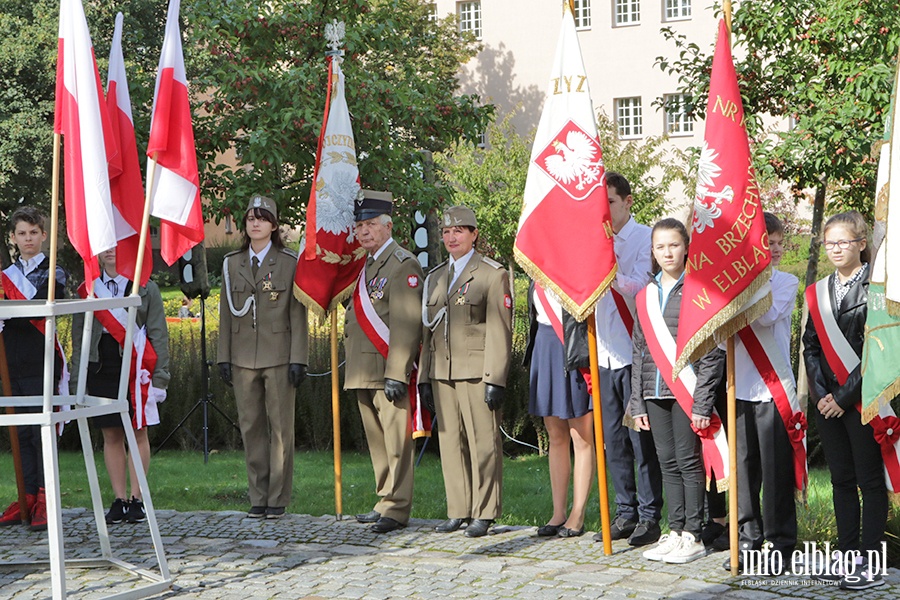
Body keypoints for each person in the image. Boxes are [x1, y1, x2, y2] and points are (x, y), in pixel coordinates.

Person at [702, 213, 800, 571]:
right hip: (737, 388)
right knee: (743, 471)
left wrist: (739, 290)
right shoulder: (731, 286)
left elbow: (766, 316)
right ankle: (747, 538)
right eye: (766, 243)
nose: (773, 250)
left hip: (772, 389)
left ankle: (781, 543)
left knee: (775, 471)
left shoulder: (785, 282)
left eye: (777, 243)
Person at [803, 211, 887, 590]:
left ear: (861, 243)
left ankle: (871, 561)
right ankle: (847, 554)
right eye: (830, 242)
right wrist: (822, 396)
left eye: (844, 242)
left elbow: (880, 350)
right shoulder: (819, 290)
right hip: (828, 403)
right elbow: (810, 345)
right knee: (840, 480)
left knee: (869, 482)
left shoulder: (878, 288)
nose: (836, 248)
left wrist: (842, 396)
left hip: (864, 398)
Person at [419, 205, 513, 538]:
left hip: (477, 371)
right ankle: (458, 509)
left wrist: (495, 378)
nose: (451, 237)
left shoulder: (491, 273)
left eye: (459, 231)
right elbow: (428, 331)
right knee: (450, 443)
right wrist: (424, 378)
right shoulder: (435, 277)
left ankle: (484, 512)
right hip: (442, 371)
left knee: (483, 442)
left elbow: (500, 331)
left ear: (474, 234)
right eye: (446, 232)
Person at [629, 218, 717, 564]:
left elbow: (712, 353)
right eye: (660, 246)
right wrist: (637, 402)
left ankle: (694, 534)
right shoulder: (645, 295)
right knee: (666, 462)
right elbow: (639, 351)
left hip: (687, 392)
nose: (667, 252)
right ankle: (676, 529)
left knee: (688, 461)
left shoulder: (699, 291)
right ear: (652, 251)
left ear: (686, 248)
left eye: (674, 245)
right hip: (653, 392)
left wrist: (702, 401)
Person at [218, 195, 309, 519]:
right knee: (251, 427)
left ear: (273, 225)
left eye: (262, 218)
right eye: (250, 218)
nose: (255, 223)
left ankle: (277, 498)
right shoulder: (232, 263)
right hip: (243, 357)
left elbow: (298, 315)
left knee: (281, 429)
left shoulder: (288, 262)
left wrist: (300, 358)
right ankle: (258, 496)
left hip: (280, 356)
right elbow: (226, 315)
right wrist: (223, 357)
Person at [70, 247, 169, 524]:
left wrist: (160, 376)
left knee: (138, 432)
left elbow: (159, 334)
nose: (112, 251)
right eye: (105, 245)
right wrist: (78, 381)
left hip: (136, 368)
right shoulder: (89, 289)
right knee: (111, 434)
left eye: (117, 244)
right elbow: (80, 340)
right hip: (101, 367)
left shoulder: (145, 288)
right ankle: (119, 498)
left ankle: (138, 498)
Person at [345, 190, 424, 534]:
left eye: (371, 225)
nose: (363, 232)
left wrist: (397, 371)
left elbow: (406, 324)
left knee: (395, 441)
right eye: (360, 226)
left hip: (386, 369)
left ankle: (398, 507)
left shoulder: (403, 264)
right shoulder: (368, 265)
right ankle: (384, 499)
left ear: (388, 226)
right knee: (378, 441)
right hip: (363, 369)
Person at [591, 172, 663, 546]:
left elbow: (642, 287)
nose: (606, 211)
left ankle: (650, 516)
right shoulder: (593, 242)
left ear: (628, 201)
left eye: (612, 203)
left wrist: (609, 270)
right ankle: (624, 511)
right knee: (613, 440)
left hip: (636, 353)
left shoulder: (644, 238)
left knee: (641, 441)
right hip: (602, 351)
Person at [0, 206, 67, 531]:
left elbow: (37, 309)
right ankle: (26, 496)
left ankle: (45, 498)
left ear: (43, 235)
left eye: (33, 233)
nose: (28, 239)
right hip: (11, 361)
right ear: (13, 238)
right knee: (20, 433)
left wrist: (11, 311)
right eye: (22, 233)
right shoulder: (7, 275)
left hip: (40, 360)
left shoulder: (55, 273)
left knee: (42, 432)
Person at [523, 280, 593, 538]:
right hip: (545, 344)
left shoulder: (574, 263)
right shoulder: (536, 264)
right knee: (556, 435)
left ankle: (578, 513)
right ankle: (558, 512)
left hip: (573, 345)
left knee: (581, 436)